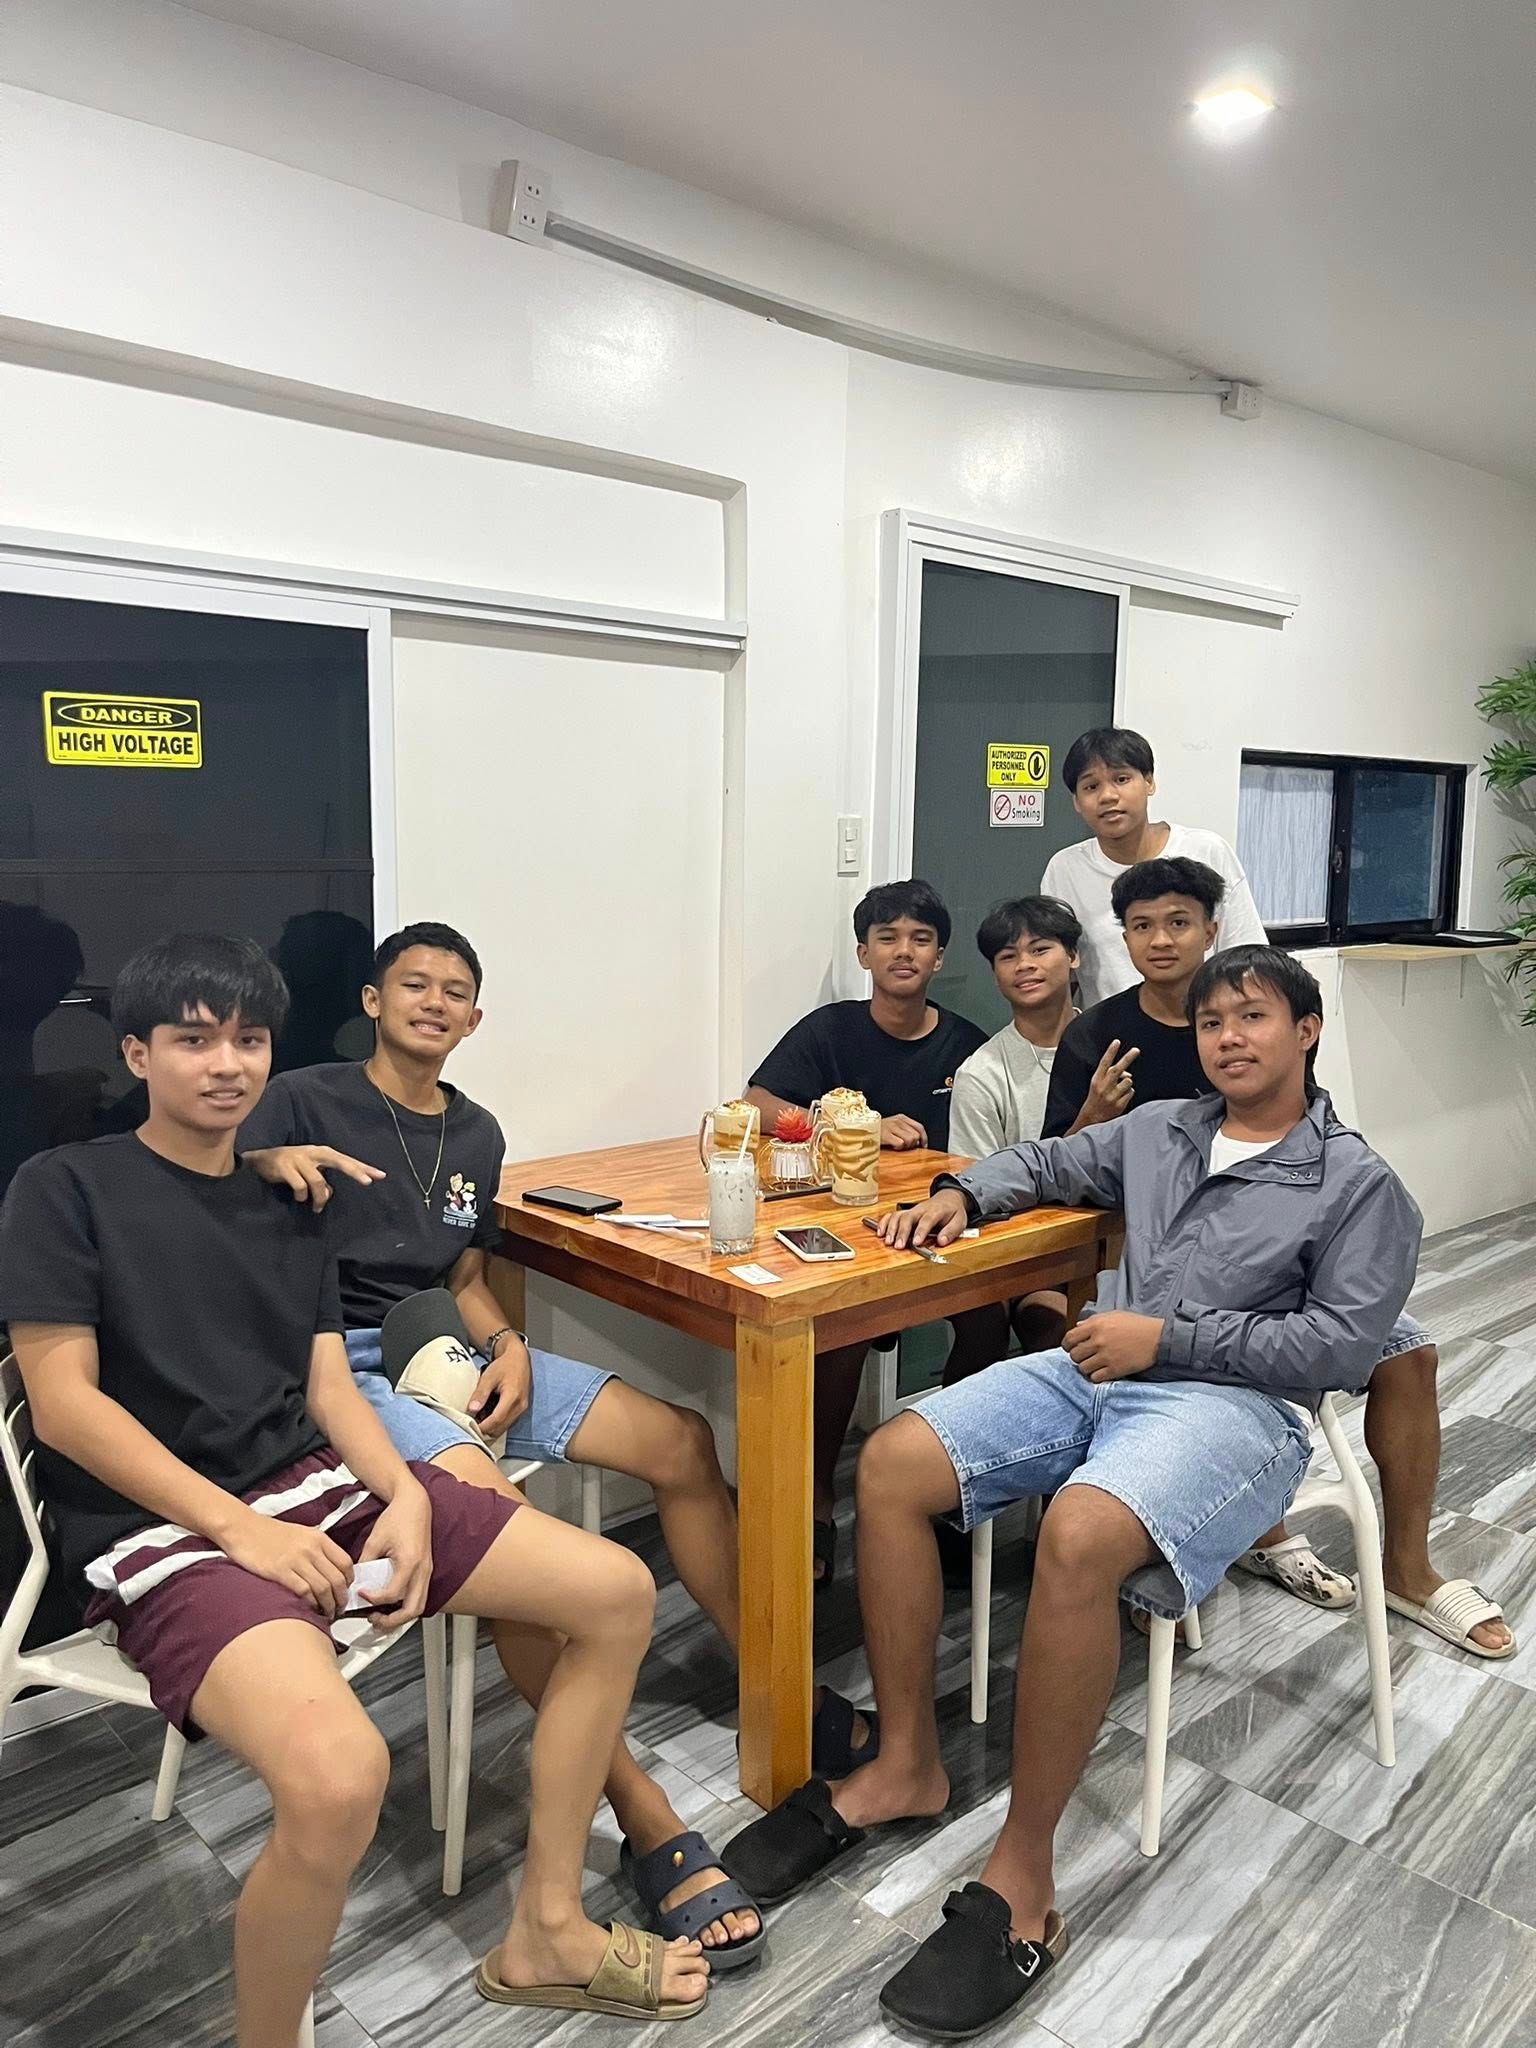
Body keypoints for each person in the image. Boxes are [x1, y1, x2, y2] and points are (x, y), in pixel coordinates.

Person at [0, 934, 710, 2048]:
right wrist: (243, 1530)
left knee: (615, 1589)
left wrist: (408, 1490)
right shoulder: (64, 1188)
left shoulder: (294, 1195)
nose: (225, 1063)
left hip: (320, 1485)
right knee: (341, 1776)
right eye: (192, 1038)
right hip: (167, 1531)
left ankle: (549, 1928)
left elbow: (330, 1379)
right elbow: (65, 1408)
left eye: (247, 1038)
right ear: (137, 1050)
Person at [722, 946, 1422, 2037]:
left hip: (1237, 1408)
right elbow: (1048, 1160)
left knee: (1081, 1532)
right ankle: (906, 1762)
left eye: (1254, 1016)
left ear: (1308, 1029)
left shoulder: (1357, 1181)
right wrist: (961, 1190)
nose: (1229, 1036)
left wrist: (1168, 1335)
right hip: (1101, 1367)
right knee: (892, 1461)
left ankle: (1024, 1876)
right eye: (1212, 1021)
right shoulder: (1164, 1128)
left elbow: (1340, 1346)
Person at [236, 922, 764, 1958]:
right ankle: (644, 1811)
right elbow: (203, 1173)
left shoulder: (475, 1132)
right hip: (334, 1362)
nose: (434, 1001)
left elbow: (467, 1277)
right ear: (374, 1000)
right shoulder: (302, 1096)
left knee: (683, 1441)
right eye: (413, 984)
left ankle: (765, 1677)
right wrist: (262, 1155)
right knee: (519, 1545)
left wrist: (510, 1342)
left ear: (476, 1019)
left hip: (442, 1340)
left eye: (456, 991)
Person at [1042, 868, 1513, 1653]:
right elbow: (1068, 1156)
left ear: (1210, 930)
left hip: (1269, 1256)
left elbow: (1298, 1144)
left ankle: (1407, 1566)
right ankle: (1181, 1534)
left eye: (1180, 922)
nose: (1162, 939)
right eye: (1144, 926)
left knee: (1406, 1347)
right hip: (1153, 1253)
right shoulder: (1099, 1031)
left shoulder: (1261, 1000)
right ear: (1121, 938)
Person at [744, 881, 986, 1594]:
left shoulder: (965, 1043)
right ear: (864, 952)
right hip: (845, 1227)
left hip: (943, 1228)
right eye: (887, 938)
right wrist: (855, 1124)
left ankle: (948, 1494)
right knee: (837, 1334)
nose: (902, 951)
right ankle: (818, 1504)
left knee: (987, 1318)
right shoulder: (831, 1029)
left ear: (939, 956)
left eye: (918, 939)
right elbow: (757, 1103)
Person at [944, 895, 1082, 1385]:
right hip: (1016, 1255)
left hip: (1108, 1243)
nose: (1025, 965)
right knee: (1008, 1326)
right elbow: (976, 1191)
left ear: (1073, 956)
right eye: (1008, 956)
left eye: (1040, 949)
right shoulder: (982, 1074)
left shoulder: (1111, 1047)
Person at [1041, 726, 1267, 1008]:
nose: (1108, 796)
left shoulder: (1206, 851)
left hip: (1200, 1030)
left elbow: (1247, 958)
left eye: (1121, 779)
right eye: (1091, 786)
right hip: (1111, 1040)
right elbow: (1063, 974)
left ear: (1149, 782)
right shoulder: (1065, 869)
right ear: (1076, 801)